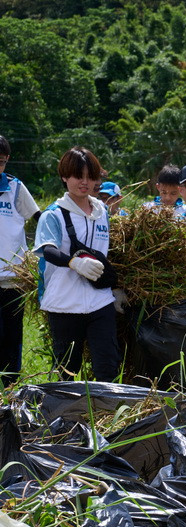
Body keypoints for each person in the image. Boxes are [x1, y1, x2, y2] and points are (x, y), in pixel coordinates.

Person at [33, 147, 121, 382]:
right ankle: (66, 416)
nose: (84, 182)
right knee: (67, 368)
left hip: (99, 300)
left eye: (90, 177)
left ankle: (106, 415)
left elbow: (107, 253)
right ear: (64, 176)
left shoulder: (102, 213)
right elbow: (47, 250)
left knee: (107, 365)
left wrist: (116, 289)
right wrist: (74, 263)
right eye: (77, 176)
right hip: (63, 302)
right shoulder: (53, 214)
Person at [0, 135, 39, 384]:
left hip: (13, 278)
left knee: (12, 337)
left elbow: (39, 217)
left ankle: (10, 391)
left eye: (1, 162)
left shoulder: (15, 188)